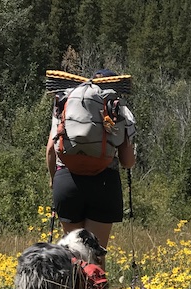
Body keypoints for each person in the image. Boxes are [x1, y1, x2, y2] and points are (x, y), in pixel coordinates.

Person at [47, 70, 136, 249]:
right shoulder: (117, 108)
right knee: (95, 255)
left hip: (67, 181)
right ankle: (95, 277)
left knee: (74, 253)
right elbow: (127, 161)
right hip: (104, 184)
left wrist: (53, 179)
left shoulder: (65, 103)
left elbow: (51, 150)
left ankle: (76, 278)